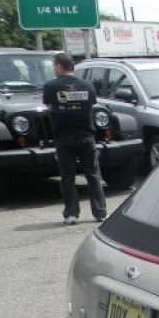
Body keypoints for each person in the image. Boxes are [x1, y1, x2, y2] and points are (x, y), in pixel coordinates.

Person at [43, 53, 107, 225]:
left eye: (53, 66)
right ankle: (100, 213)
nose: (53, 69)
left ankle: (71, 214)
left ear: (58, 66)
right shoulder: (87, 85)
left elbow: (50, 106)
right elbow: (91, 104)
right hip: (86, 135)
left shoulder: (51, 86)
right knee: (93, 174)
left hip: (64, 137)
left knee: (67, 176)